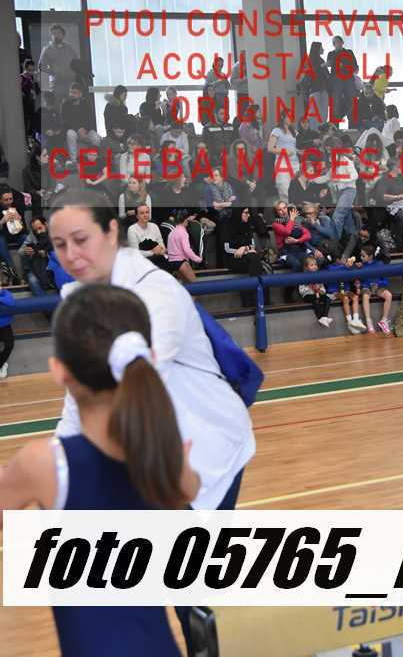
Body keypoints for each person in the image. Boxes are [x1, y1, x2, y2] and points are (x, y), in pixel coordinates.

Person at [0, 283, 200, 656]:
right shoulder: (167, 451)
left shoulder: (45, 464)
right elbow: (188, 492)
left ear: (58, 370)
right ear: (149, 357)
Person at [48, 190, 255, 513]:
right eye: (60, 245)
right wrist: (57, 462)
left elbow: (131, 389)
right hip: (154, 449)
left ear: (111, 231)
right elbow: (80, 397)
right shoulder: (79, 298)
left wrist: (54, 471)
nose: (71, 255)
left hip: (205, 446)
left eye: (81, 239)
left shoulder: (155, 292)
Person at [325, 248, 366, 333]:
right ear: (337, 259)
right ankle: (349, 322)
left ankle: (356, 320)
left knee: (355, 297)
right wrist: (345, 266)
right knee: (346, 298)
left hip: (345, 290)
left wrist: (356, 266)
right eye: (343, 258)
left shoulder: (346, 266)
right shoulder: (330, 267)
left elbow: (353, 270)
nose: (345, 259)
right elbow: (334, 270)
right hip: (334, 292)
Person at [356, 243, 392, 334]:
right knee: (365, 296)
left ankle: (384, 320)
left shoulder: (379, 264)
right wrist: (360, 284)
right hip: (366, 287)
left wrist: (378, 284)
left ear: (370, 256)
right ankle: (368, 321)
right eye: (361, 255)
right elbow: (359, 280)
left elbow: (386, 281)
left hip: (378, 288)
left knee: (389, 295)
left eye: (363, 256)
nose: (361, 257)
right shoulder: (361, 266)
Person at [38, 23, 78, 104]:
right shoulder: (47, 50)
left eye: (58, 33)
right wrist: (45, 91)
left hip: (71, 84)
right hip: (56, 85)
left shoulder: (70, 49)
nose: (56, 35)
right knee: (55, 107)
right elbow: (42, 69)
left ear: (63, 35)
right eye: (53, 33)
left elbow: (77, 65)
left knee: (72, 107)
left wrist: (77, 84)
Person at [61, 82, 100, 163]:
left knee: (96, 137)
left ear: (80, 94)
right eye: (70, 92)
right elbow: (66, 120)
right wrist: (78, 129)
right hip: (73, 130)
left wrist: (85, 129)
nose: (71, 94)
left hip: (86, 130)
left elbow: (90, 119)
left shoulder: (86, 104)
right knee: (70, 134)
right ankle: (74, 160)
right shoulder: (65, 104)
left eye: (74, 93)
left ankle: (94, 159)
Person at [326, 35, 360, 127]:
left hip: (347, 79)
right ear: (333, 44)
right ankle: (334, 127)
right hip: (336, 80)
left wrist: (341, 65)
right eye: (335, 42)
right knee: (335, 102)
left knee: (352, 101)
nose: (337, 44)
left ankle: (353, 125)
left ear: (342, 43)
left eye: (339, 42)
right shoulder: (331, 54)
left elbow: (355, 66)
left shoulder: (349, 52)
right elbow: (329, 64)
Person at [18, 215, 55, 297]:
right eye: (35, 230)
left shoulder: (55, 231)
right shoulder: (32, 235)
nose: (38, 232)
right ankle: (44, 303)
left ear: (46, 224)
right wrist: (26, 251)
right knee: (32, 280)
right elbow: (20, 252)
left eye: (40, 228)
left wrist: (46, 252)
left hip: (52, 265)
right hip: (35, 266)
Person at [268, 111, 300, 203]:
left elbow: (292, 147)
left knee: (297, 187)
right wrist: (284, 151)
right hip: (282, 163)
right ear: (282, 117)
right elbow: (270, 148)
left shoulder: (293, 131)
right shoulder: (276, 130)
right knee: (284, 189)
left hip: (295, 162)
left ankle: (295, 208)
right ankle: (286, 208)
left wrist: (299, 151)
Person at [127, 204, 168, 271]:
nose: (145, 215)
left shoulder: (154, 226)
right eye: (142, 213)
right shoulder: (132, 229)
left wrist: (162, 250)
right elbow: (135, 253)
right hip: (142, 262)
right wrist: (152, 252)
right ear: (137, 216)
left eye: (147, 212)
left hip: (159, 259)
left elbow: (161, 244)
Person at [166, 209, 203, 282]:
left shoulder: (171, 233)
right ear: (185, 220)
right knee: (196, 285)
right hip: (181, 262)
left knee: (186, 286)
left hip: (172, 263)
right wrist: (198, 259)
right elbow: (187, 250)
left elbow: (169, 249)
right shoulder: (183, 233)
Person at [299, 255, 332, 328]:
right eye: (311, 265)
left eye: (315, 265)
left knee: (327, 299)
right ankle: (320, 318)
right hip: (308, 295)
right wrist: (310, 287)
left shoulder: (319, 276)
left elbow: (323, 291)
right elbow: (301, 291)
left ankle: (325, 317)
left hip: (318, 293)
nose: (314, 266)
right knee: (316, 300)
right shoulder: (303, 277)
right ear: (306, 267)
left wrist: (319, 289)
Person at [304, 41, 331, 128]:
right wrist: (322, 66)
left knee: (324, 111)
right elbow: (311, 73)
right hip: (315, 89)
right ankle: (312, 129)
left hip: (322, 88)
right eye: (321, 48)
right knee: (314, 111)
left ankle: (321, 128)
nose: (323, 49)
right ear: (317, 49)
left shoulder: (321, 60)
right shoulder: (310, 61)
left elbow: (326, 74)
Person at [0, 286, 14, 379]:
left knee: (9, 345)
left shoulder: (6, 293)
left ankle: (1, 364)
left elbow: (11, 302)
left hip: (5, 325)